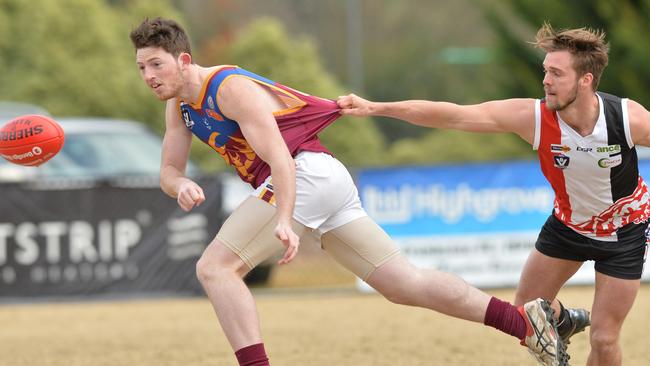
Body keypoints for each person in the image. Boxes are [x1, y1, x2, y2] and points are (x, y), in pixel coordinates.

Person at [130, 17, 568, 366]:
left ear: (183, 59)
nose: (148, 76)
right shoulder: (179, 107)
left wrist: (283, 218)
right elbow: (168, 170)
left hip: (304, 175)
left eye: (156, 64)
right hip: (321, 179)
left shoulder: (229, 89)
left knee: (215, 269)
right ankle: (526, 326)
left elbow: (281, 160)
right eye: (142, 68)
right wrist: (180, 183)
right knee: (403, 284)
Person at [338, 23, 649, 366]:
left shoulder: (625, 118)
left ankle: (576, 326)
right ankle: (564, 319)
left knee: (604, 339)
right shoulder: (532, 117)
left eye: (556, 73)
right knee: (524, 317)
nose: (545, 80)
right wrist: (376, 108)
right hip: (568, 228)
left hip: (625, 234)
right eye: (545, 71)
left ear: (585, 80)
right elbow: (454, 116)